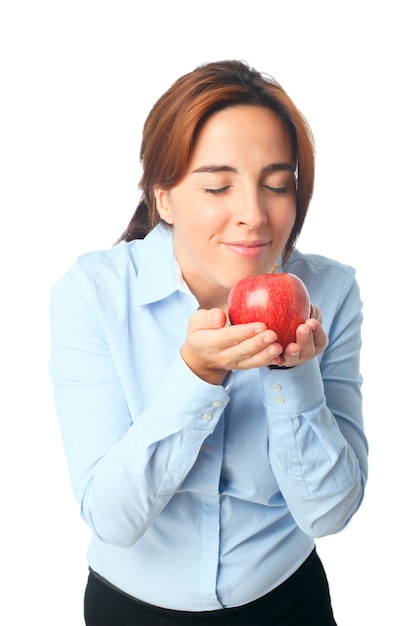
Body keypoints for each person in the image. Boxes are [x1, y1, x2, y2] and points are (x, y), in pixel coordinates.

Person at [49, 60, 368, 626]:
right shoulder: (93, 294)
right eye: (219, 185)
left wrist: (294, 375)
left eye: (276, 185)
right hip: (131, 609)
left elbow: (330, 513)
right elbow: (113, 517)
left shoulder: (330, 292)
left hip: (285, 601)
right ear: (163, 197)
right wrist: (196, 378)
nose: (253, 214)